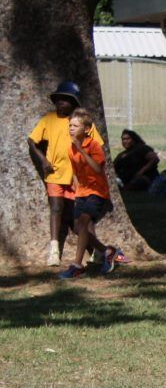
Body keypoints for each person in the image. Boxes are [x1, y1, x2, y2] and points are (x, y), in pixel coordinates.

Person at [26, 81, 99, 268]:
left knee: (80, 217)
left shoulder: (81, 122)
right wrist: (43, 160)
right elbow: (32, 141)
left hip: (77, 176)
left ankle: (95, 251)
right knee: (56, 209)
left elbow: (96, 143)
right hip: (55, 174)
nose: (61, 103)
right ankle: (54, 250)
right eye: (58, 100)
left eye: (66, 100)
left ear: (74, 104)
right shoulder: (48, 119)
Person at [58, 109, 116, 280]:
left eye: (75, 125)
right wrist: (77, 190)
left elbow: (98, 168)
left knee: (84, 222)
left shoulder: (93, 145)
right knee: (77, 227)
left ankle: (77, 265)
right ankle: (107, 251)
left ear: (86, 129)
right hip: (82, 192)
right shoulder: (70, 149)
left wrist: (82, 150)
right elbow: (75, 172)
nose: (71, 128)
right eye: (70, 125)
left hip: (97, 191)